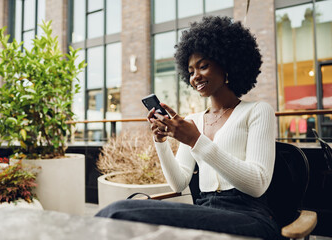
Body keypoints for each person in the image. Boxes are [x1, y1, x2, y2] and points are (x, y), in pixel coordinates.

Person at [96, 16, 280, 240]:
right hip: (205, 210)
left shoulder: (258, 111)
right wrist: (161, 143)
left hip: (249, 216)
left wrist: (196, 141)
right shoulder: (194, 120)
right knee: (121, 215)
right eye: (191, 71)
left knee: (118, 212)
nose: (195, 77)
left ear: (227, 64)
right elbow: (179, 182)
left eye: (203, 66)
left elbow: (257, 184)